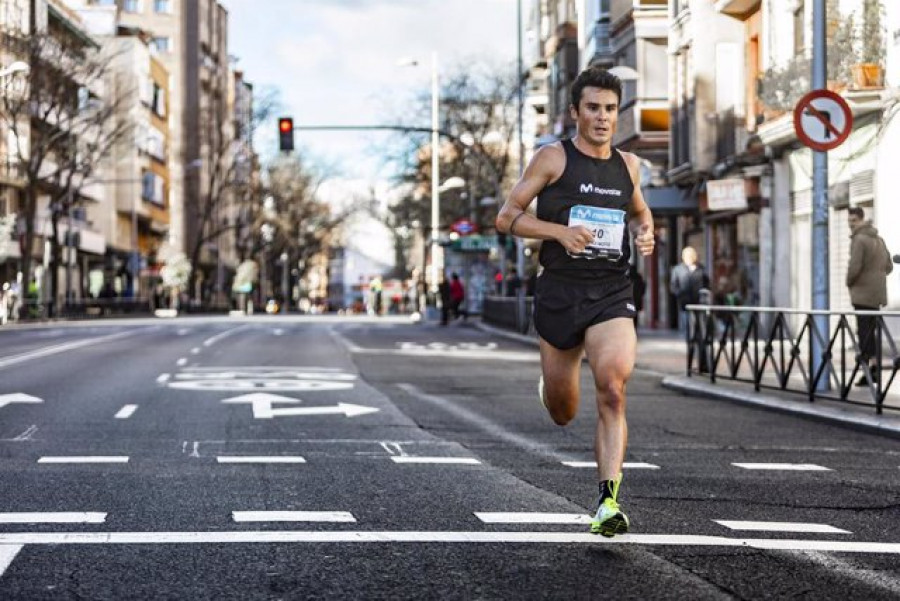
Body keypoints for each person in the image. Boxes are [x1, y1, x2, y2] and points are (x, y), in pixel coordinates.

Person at [495, 66, 654, 537]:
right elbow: (508, 217)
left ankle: (607, 503)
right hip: (561, 292)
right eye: (593, 108)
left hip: (611, 290)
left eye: (609, 109)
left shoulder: (629, 166)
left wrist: (645, 233)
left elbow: (641, 212)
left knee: (613, 387)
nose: (603, 118)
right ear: (575, 112)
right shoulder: (552, 159)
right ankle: (550, 387)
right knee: (563, 410)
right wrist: (559, 232)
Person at [846, 207, 893, 386]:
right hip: (877, 294)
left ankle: (869, 372)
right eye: (849, 221)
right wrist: (876, 276)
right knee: (871, 333)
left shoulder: (859, 240)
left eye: (853, 221)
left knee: (865, 334)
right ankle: (874, 370)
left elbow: (854, 267)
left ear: (861, 219)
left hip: (862, 295)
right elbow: (889, 266)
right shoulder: (878, 240)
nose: (851, 225)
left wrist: (849, 281)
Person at [669, 246, 709, 331]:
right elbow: (673, 285)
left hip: (699, 301)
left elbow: (707, 283)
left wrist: (704, 293)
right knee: (688, 324)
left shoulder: (700, 269)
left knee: (700, 323)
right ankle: (690, 340)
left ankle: (699, 340)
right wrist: (679, 293)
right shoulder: (678, 269)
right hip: (685, 302)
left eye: (691, 255)